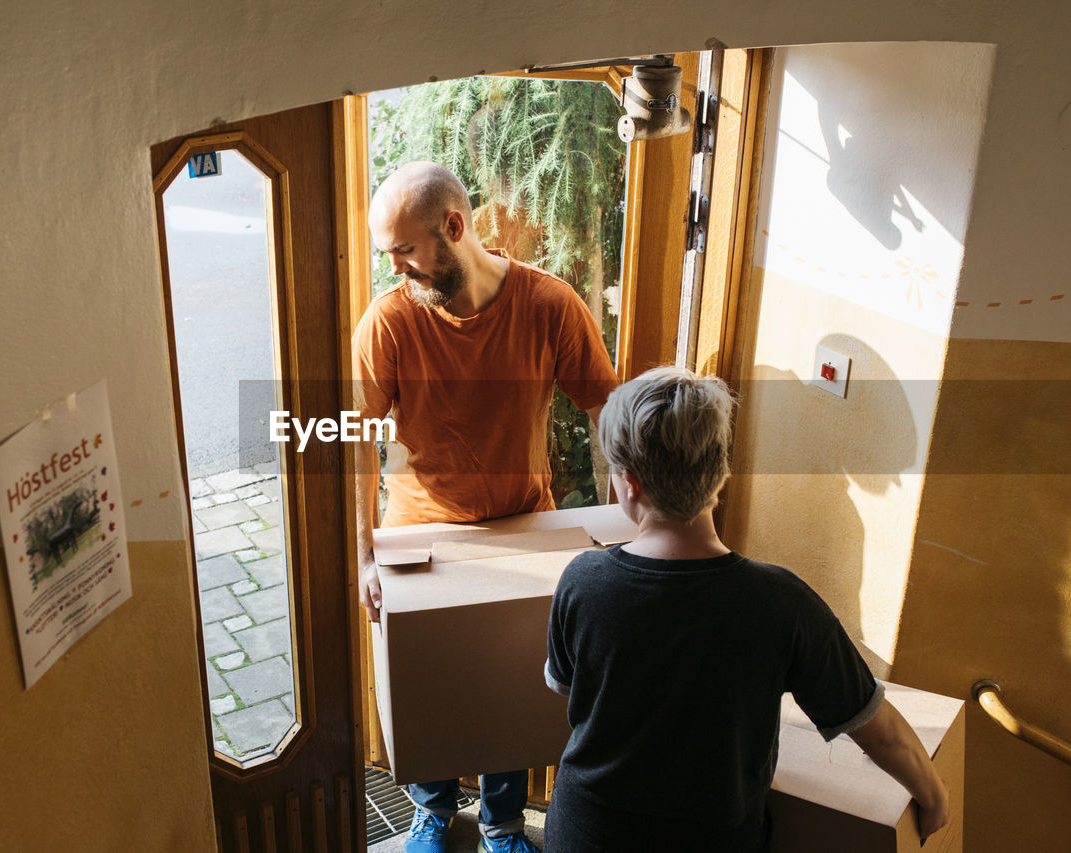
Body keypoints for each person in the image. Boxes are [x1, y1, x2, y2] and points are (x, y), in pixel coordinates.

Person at [543, 366, 950, 851]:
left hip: (586, 832)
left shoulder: (583, 581)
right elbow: (877, 730)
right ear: (719, 473)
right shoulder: (783, 602)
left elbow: (567, 688)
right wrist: (934, 795)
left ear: (629, 483)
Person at [352, 161, 620, 853]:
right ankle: (433, 810)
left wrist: (629, 532)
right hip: (422, 537)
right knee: (433, 689)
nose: (397, 267)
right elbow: (355, 444)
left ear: (454, 227)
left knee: (511, 686)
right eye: (390, 254)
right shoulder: (387, 324)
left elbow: (609, 414)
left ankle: (502, 821)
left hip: (519, 532)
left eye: (405, 250)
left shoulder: (549, 305)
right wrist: (363, 556)